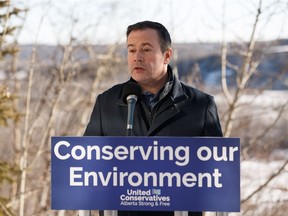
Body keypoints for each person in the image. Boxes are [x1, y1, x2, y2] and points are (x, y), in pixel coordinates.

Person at [84, 21, 223, 216]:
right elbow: (86, 166)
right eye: (131, 50)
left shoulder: (201, 105)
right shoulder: (106, 103)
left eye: (146, 49)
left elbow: (218, 175)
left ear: (167, 55)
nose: (137, 57)